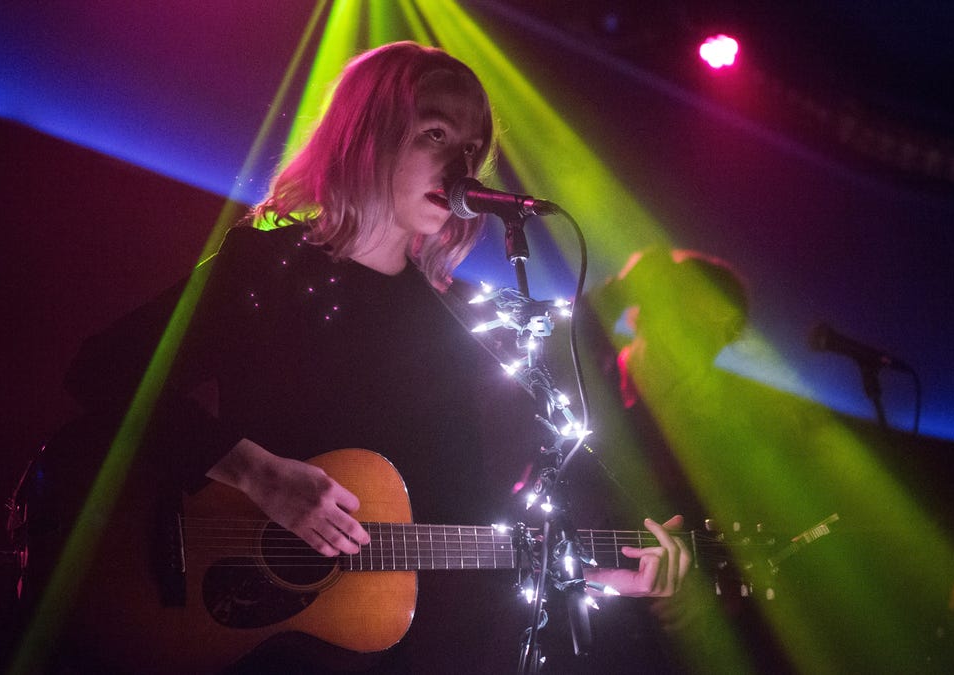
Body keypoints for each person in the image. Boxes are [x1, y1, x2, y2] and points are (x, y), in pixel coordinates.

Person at [53, 41, 688, 673]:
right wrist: (256, 474)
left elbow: (459, 525)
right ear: (368, 137)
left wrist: (592, 573)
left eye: (472, 150)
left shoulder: (451, 327)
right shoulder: (267, 268)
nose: (459, 166)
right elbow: (104, 368)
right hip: (243, 638)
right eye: (435, 133)